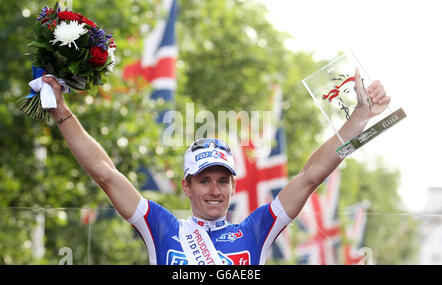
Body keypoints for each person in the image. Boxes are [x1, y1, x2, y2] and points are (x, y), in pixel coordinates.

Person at [42, 68, 389, 265]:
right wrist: (61, 111)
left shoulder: (256, 230)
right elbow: (105, 173)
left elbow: (312, 174)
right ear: (186, 187)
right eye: (204, 179)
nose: (214, 189)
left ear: (233, 188)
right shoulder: (162, 228)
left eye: (223, 181)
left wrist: (358, 118)